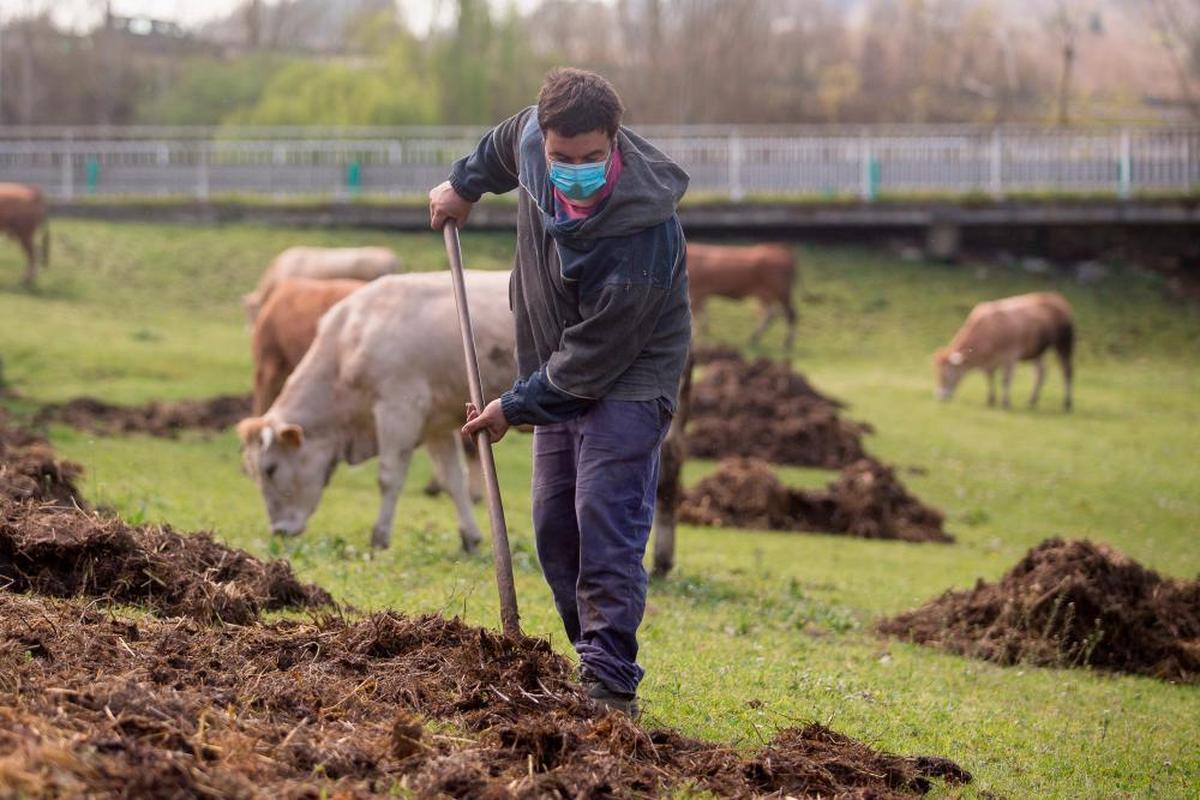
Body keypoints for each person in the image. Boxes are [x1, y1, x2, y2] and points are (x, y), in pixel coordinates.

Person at [428, 67, 691, 717]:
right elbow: (500, 143)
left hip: (629, 373)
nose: (574, 170)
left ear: (615, 141)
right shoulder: (529, 143)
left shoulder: (644, 232)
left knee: (605, 516)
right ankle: (590, 656)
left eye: (591, 158)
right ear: (544, 143)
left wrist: (513, 406)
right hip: (554, 362)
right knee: (554, 527)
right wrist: (463, 186)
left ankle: (608, 680)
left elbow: (595, 360)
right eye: (561, 158)